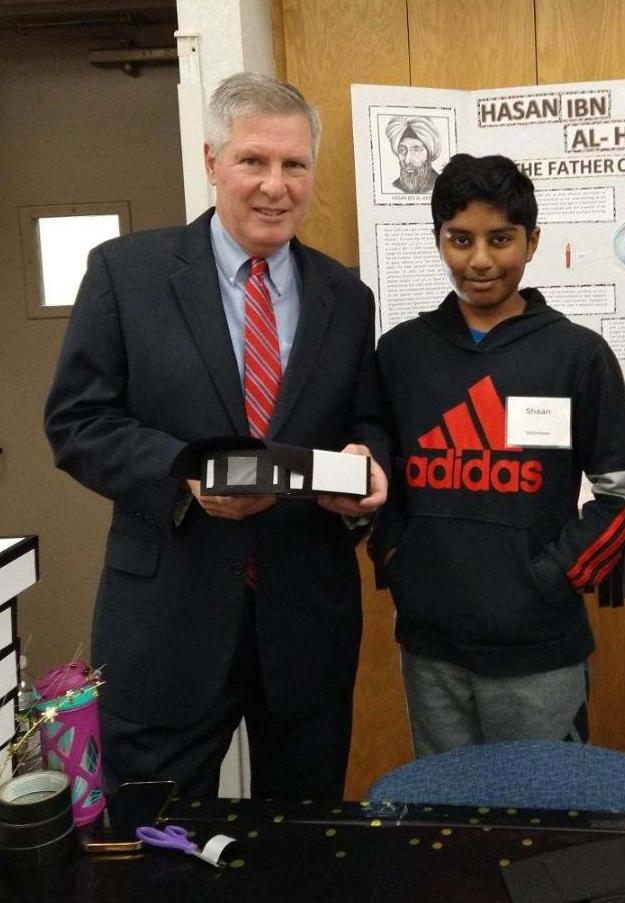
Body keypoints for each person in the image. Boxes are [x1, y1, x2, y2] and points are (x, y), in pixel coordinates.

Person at [44, 72, 389, 800]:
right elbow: (76, 420)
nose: (275, 185)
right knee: (152, 843)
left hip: (306, 622)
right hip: (166, 619)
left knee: (301, 846)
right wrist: (183, 476)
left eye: (294, 164)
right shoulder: (126, 274)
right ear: (211, 163)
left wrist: (369, 462)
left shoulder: (347, 297)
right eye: (253, 161)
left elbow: (367, 418)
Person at [371, 154, 625, 756]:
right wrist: (400, 558)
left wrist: (549, 580)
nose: (479, 260)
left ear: (532, 242)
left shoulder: (577, 354)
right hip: (429, 649)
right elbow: (377, 478)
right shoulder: (400, 354)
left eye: (500, 239)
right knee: (446, 820)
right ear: (437, 240)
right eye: (460, 239)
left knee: (545, 826)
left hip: (540, 652)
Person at [385, 115, 441, 193]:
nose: (407, 160)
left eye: (416, 150)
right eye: (402, 150)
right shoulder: (395, 186)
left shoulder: (443, 185)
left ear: (428, 154)